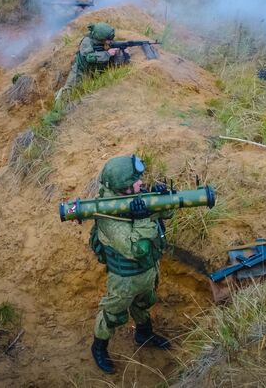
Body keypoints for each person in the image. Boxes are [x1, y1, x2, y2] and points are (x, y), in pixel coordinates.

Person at [90, 155, 172, 374]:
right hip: (124, 280)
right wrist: (143, 218)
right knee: (113, 314)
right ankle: (98, 347)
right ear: (122, 187)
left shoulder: (135, 197)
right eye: (135, 182)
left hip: (147, 272)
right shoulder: (107, 216)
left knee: (144, 303)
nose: (141, 183)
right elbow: (137, 250)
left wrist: (163, 198)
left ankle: (143, 333)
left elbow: (167, 213)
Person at [56, 22, 129, 100]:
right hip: (82, 70)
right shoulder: (87, 41)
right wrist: (107, 54)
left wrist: (122, 51)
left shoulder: (105, 41)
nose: (110, 41)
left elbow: (112, 48)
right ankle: (58, 106)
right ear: (100, 37)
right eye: (107, 39)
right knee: (68, 91)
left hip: (98, 69)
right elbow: (90, 57)